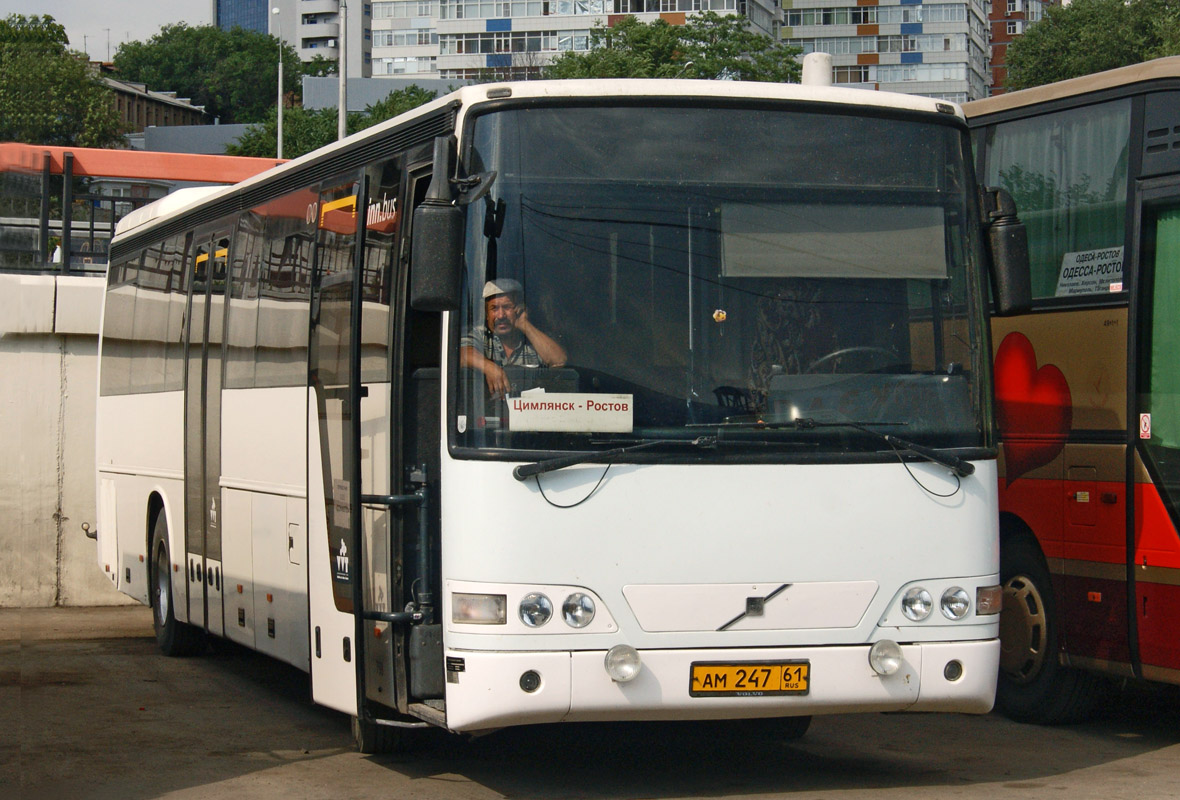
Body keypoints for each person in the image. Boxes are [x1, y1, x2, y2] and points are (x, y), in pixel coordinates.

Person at [461, 279, 567, 396]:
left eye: (507, 307)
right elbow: (461, 354)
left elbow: (559, 361)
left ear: (519, 309)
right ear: (487, 314)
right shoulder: (481, 334)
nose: (501, 315)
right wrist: (489, 367)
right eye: (494, 308)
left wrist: (524, 325)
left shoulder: (534, 337)